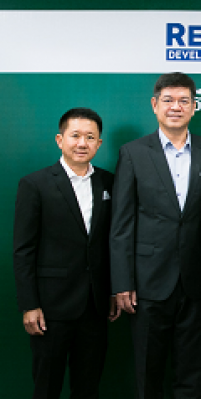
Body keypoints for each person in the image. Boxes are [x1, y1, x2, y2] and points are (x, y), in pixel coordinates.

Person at [110, 72, 201, 399]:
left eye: (184, 101)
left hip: (197, 281)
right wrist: (122, 281)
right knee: (149, 370)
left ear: (194, 107)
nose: (176, 107)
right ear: (154, 105)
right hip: (147, 283)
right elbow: (121, 222)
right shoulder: (133, 153)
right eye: (169, 100)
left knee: (192, 371)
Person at [13, 107, 120, 398]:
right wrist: (29, 305)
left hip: (95, 306)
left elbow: (113, 243)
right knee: (46, 386)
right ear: (60, 140)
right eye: (75, 136)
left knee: (88, 387)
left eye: (90, 137)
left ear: (99, 143)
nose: (82, 143)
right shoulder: (35, 184)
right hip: (50, 308)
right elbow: (23, 250)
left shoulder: (109, 182)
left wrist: (114, 290)